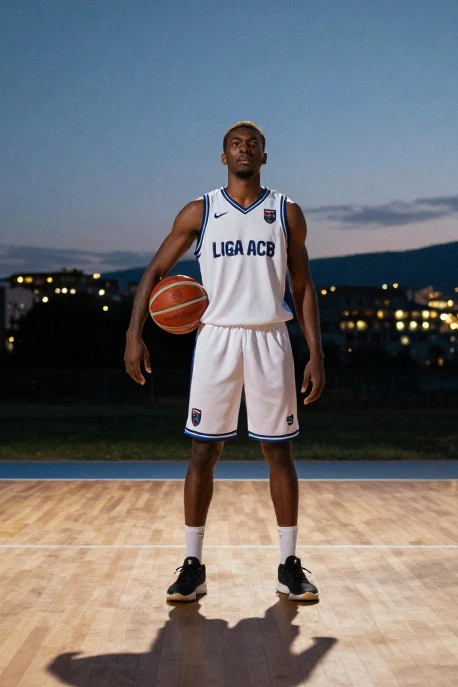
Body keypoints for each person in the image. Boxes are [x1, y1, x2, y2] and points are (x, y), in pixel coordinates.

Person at [124, 121, 325, 602]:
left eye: (253, 145)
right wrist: (135, 333)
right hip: (215, 338)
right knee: (202, 453)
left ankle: (288, 565)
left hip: (269, 337)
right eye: (236, 145)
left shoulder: (285, 211)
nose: (245, 150)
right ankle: (193, 564)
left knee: (279, 452)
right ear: (223, 157)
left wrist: (315, 351)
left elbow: (301, 287)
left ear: (265, 156)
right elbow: (155, 271)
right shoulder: (201, 210)